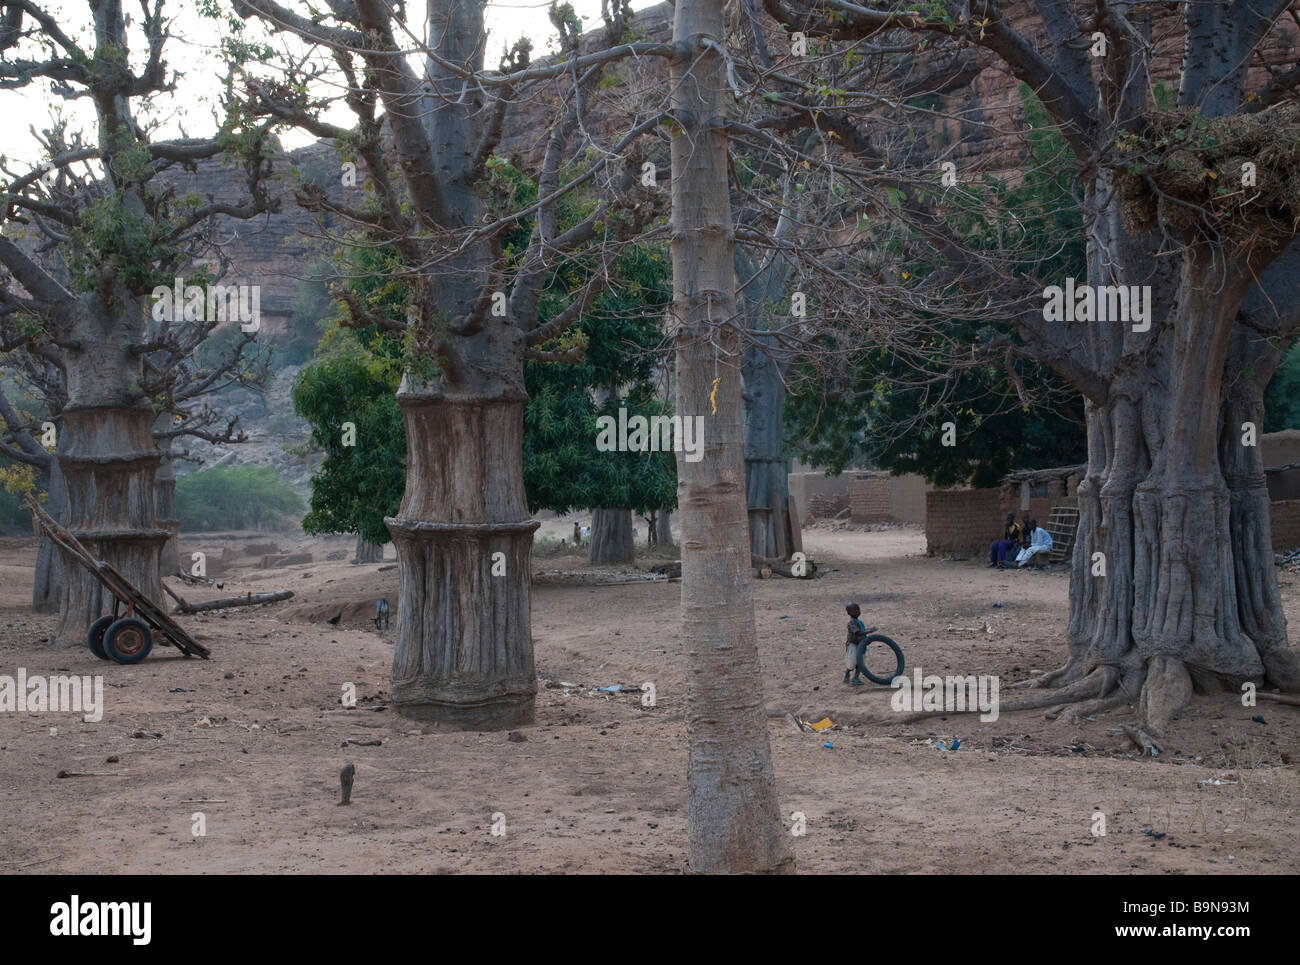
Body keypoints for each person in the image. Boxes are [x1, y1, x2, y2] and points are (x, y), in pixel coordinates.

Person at [841, 603, 876, 686]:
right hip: (853, 645)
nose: (857, 611)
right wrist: (870, 631)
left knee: (860, 663)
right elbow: (858, 633)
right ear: (849, 613)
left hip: (861, 644)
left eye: (858, 609)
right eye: (855, 610)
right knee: (852, 662)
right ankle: (847, 674)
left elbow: (862, 633)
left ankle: (856, 678)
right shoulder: (851, 623)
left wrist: (867, 639)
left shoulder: (859, 622)